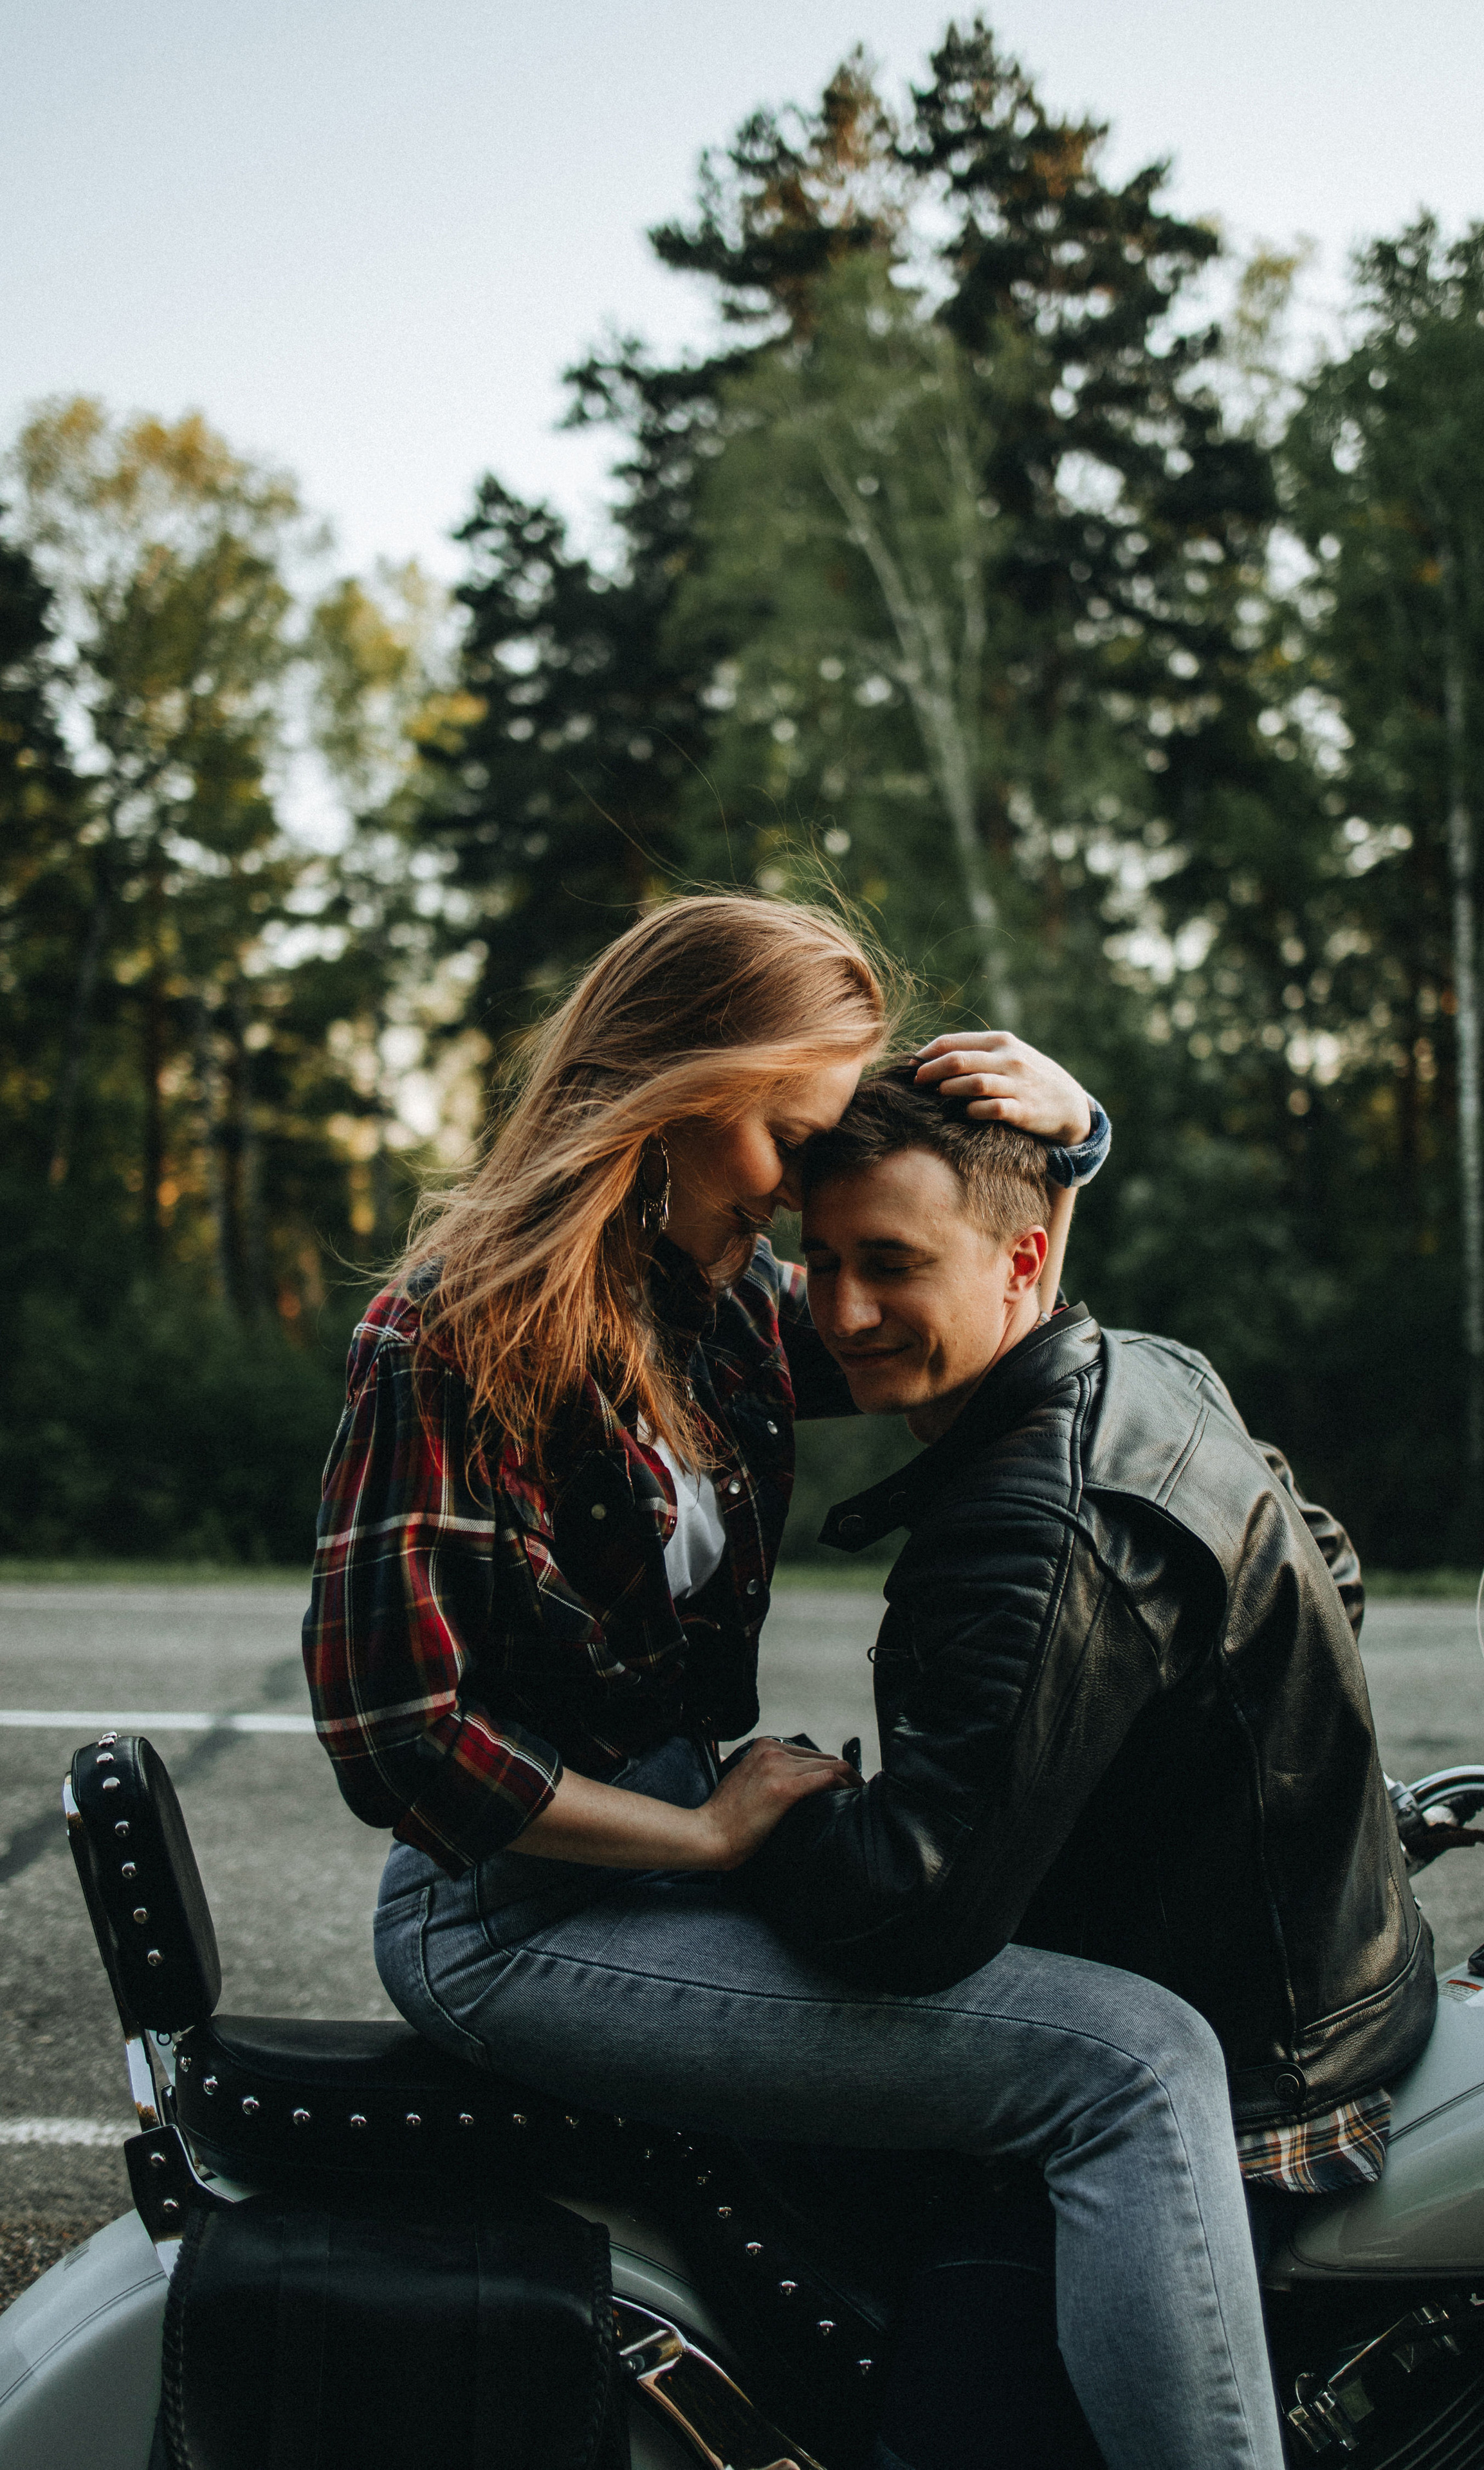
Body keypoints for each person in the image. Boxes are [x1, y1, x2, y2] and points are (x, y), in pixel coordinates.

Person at [302, 892, 1287, 2470]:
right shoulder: (453, 1332)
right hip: (511, 1923)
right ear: (681, 1090)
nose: (805, 1186)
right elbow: (401, 1739)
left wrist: (1072, 1144)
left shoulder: (723, 1306)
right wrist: (697, 1837)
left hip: (659, 1869)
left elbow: (961, 1311)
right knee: (1131, 2063)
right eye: (792, 1134)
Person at [749, 1063, 1436, 2215]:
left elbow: (910, 1909)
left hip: (1253, 2098)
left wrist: (752, 1817)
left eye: (892, 1264)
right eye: (821, 1262)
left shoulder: (1029, 1524)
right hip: (1355, 1997)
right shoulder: (1158, 1369)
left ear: (1023, 1263)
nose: (845, 1313)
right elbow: (1333, 1570)